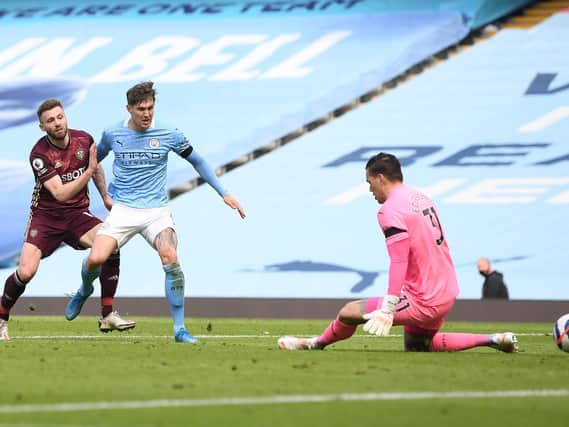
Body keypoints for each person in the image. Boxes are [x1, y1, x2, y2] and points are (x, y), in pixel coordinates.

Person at [278, 152, 518, 353]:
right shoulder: (420, 197)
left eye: (369, 183)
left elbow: (399, 260)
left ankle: (314, 344)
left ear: (381, 178)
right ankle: (495, 339)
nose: (370, 190)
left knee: (348, 312)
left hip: (424, 297)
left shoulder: (389, 210)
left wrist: (389, 307)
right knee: (418, 346)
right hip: (447, 289)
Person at [66, 81, 246, 344]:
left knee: (170, 257)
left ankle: (180, 329)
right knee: (96, 259)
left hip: (156, 211)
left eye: (151, 107)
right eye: (141, 109)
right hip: (123, 210)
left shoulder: (169, 132)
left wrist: (224, 193)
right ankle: (85, 289)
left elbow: (198, 161)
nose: (147, 113)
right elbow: (92, 165)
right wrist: (102, 195)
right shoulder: (112, 134)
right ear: (129, 108)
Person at [0, 99, 134, 341]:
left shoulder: (84, 140)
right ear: (42, 127)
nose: (57, 123)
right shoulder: (39, 154)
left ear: (65, 117)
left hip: (76, 216)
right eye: (50, 120)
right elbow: (61, 193)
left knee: (110, 242)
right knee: (27, 271)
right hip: (45, 218)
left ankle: (107, 315)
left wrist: (105, 196)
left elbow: (97, 168)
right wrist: (89, 171)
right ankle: (1, 319)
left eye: (59, 117)